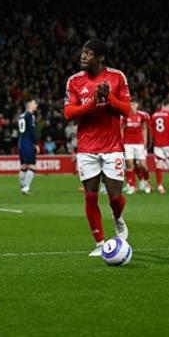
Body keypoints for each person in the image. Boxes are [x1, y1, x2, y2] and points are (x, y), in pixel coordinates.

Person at [64, 39, 131, 257]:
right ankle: (100, 243)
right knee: (90, 196)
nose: (83, 56)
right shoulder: (74, 81)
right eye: (82, 53)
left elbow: (127, 110)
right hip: (87, 148)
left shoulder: (117, 77)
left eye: (89, 53)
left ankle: (118, 218)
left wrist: (108, 97)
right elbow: (69, 114)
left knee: (114, 197)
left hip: (112, 147)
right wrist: (94, 102)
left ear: (100, 58)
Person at [123, 99, 152, 194]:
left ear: (137, 105)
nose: (132, 106)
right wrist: (122, 142)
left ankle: (146, 182)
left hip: (139, 144)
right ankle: (131, 186)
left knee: (143, 166)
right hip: (128, 144)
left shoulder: (142, 115)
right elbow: (122, 129)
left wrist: (145, 142)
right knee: (129, 164)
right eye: (131, 104)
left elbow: (144, 129)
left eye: (134, 104)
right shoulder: (125, 115)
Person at [17, 99, 38, 195]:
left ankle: (23, 186)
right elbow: (32, 131)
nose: (36, 105)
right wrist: (36, 144)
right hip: (28, 142)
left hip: (20, 141)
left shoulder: (22, 115)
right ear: (29, 106)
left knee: (24, 165)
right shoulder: (30, 115)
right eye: (34, 104)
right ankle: (26, 188)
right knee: (32, 165)